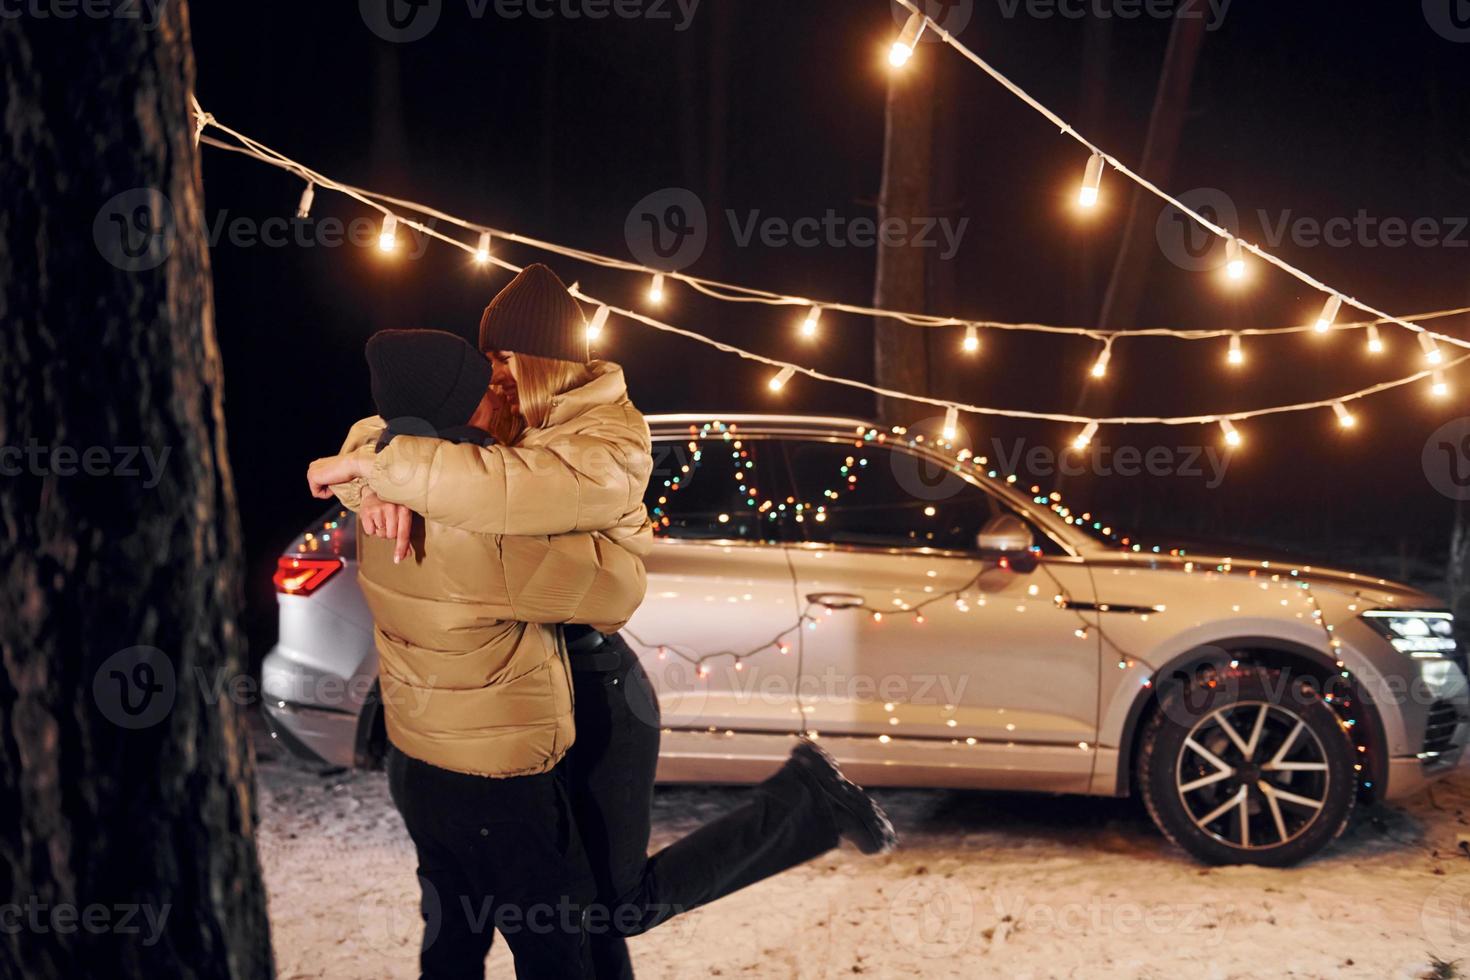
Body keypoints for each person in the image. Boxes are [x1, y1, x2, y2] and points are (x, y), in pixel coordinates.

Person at [312, 265, 898, 980]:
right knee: (575, 908)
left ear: (547, 361)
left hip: (598, 685)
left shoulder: (606, 441)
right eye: (484, 357)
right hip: (528, 682)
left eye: (505, 360)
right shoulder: (505, 411)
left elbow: (507, 498)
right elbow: (399, 419)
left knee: (609, 904)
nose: (491, 376)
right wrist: (372, 474)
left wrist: (383, 469)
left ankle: (803, 805)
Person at [308, 328, 649, 980]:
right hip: (498, 789)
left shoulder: (377, 507)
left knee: (450, 946)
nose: (498, 400)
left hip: (416, 767)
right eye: (484, 391)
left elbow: (381, 443)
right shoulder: (487, 537)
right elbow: (616, 591)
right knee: (557, 954)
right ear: (468, 410)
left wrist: (371, 475)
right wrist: (623, 515)